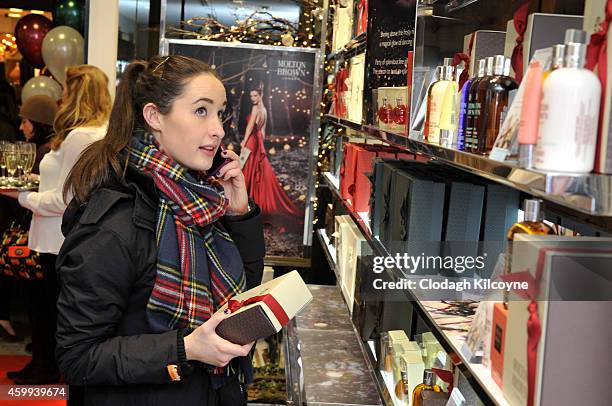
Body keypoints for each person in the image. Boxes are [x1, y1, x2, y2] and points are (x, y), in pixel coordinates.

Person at [56, 56, 265, 405]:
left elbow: (238, 299)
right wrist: (185, 349)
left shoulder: (200, 198)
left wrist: (239, 215)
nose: (217, 129)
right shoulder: (114, 226)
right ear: (154, 117)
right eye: (201, 111)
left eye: (220, 112)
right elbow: (78, 358)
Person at [0, 65, 112, 384]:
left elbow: (67, 199)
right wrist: (34, 182)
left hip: (57, 239)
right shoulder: (96, 132)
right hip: (62, 238)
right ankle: (46, 365)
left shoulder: (80, 136)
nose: (60, 97)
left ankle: (46, 368)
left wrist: (21, 196)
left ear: (78, 94)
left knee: (47, 311)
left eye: (66, 90)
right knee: (51, 310)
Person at [0, 94, 58, 344]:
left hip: (44, 235)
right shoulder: (44, 149)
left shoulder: (45, 152)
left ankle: (43, 359)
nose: (21, 127)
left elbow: (51, 195)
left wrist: (20, 193)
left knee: (41, 303)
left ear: (40, 123)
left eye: (26, 121)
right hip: (42, 232)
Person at [240, 84, 302, 230]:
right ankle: (250, 202)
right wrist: (260, 143)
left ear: (260, 95)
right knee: (253, 169)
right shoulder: (264, 110)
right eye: (251, 96)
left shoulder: (256, 109)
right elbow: (263, 132)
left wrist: (245, 141)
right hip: (257, 142)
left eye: (255, 95)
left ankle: (245, 204)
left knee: (246, 170)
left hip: (251, 141)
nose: (253, 98)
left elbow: (250, 127)